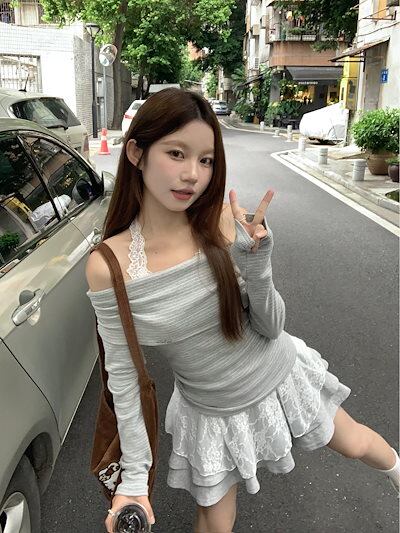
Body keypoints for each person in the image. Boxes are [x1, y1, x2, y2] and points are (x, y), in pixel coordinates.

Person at [85, 88, 399, 533]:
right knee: (215, 521)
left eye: (206, 160)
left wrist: (258, 268)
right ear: (136, 153)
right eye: (176, 153)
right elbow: (124, 381)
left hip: (278, 375)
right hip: (210, 413)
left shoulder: (224, 222)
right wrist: (134, 478)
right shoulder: (109, 266)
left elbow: (272, 326)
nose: (192, 175)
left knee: (357, 445)